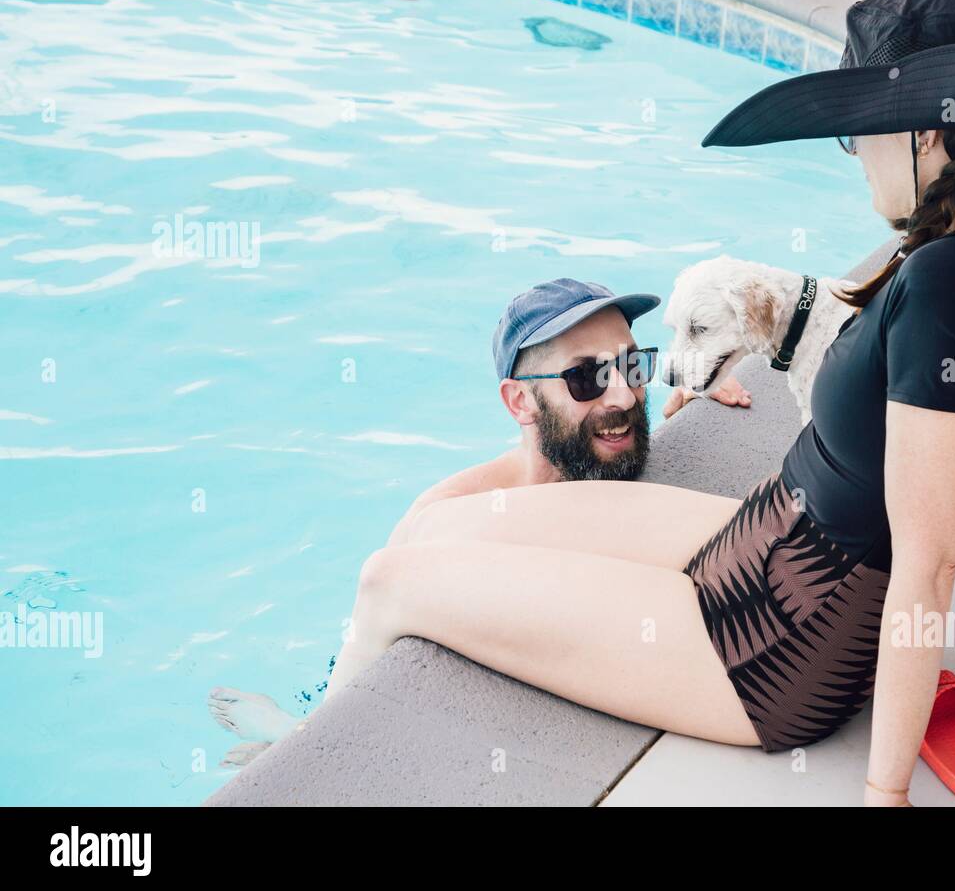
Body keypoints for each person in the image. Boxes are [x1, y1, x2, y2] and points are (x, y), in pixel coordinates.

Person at [313, 0, 955, 805]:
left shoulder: (952, 285)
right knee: (438, 526)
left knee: (391, 581)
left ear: (928, 133)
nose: (855, 154)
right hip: (771, 539)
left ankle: (297, 762)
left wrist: (884, 793)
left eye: (865, 130)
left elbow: (927, 559)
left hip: (776, 651)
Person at [209, 278, 750, 763]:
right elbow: (376, 637)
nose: (624, 395)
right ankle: (292, 738)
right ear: (520, 402)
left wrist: (693, 395)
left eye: (634, 365)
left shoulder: (613, 448)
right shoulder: (451, 514)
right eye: (586, 377)